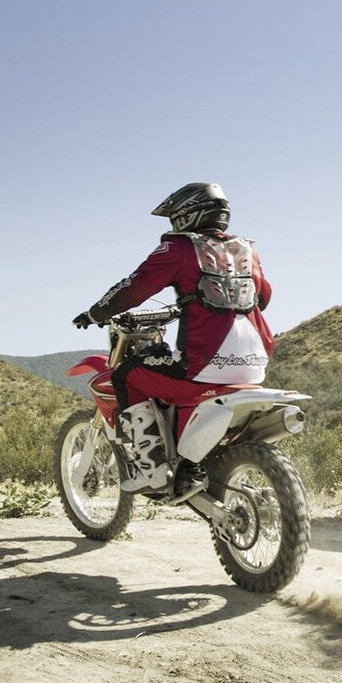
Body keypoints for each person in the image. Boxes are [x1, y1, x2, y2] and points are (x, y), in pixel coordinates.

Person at [73, 182, 275, 500]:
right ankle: (192, 460)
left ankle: (151, 471)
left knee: (126, 376)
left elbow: (135, 287)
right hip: (255, 365)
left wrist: (95, 313)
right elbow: (263, 297)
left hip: (205, 366)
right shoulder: (247, 249)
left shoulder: (180, 247)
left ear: (186, 214)